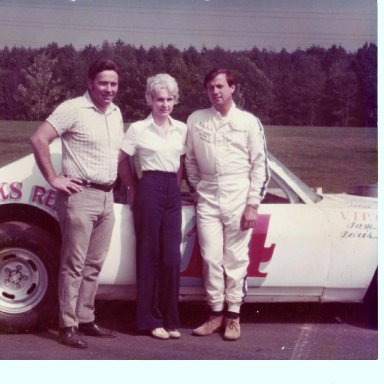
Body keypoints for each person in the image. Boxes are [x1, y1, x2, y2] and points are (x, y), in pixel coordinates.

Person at [30, 59, 124, 348]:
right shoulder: (73, 108)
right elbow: (38, 139)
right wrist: (54, 178)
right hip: (80, 196)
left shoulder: (116, 112)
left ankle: (85, 317)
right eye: (103, 83)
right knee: (74, 264)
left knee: (93, 264)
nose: (109, 89)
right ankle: (67, 325)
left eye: (114, 84)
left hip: (107, 197)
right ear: (90, 83)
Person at [185, 68, 270, 341]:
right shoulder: (196, 119)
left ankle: (233, 316)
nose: (215, 91)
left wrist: (252, 204)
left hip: (238, 192)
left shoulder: (248, 121)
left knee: (235, 258)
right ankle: (215, 314)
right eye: (210, 87)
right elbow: (190, 161)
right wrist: (198, 190)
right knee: (211, 258)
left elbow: (259, 165)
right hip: (208, 194)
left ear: (232, 87)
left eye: (220, 86)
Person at [118, 73, 187, 340]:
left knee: (171, 256)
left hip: (172, 191)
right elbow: (121, 159)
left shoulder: (181, 128)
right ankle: (149, 320)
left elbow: (180, 162)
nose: (165, 104)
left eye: (170, 99)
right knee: (149, 255)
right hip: (148, 188)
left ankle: (170, 319)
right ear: (149, 99)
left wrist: (177, 188)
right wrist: (133, 186)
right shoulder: (138, 129)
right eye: (160, 99)